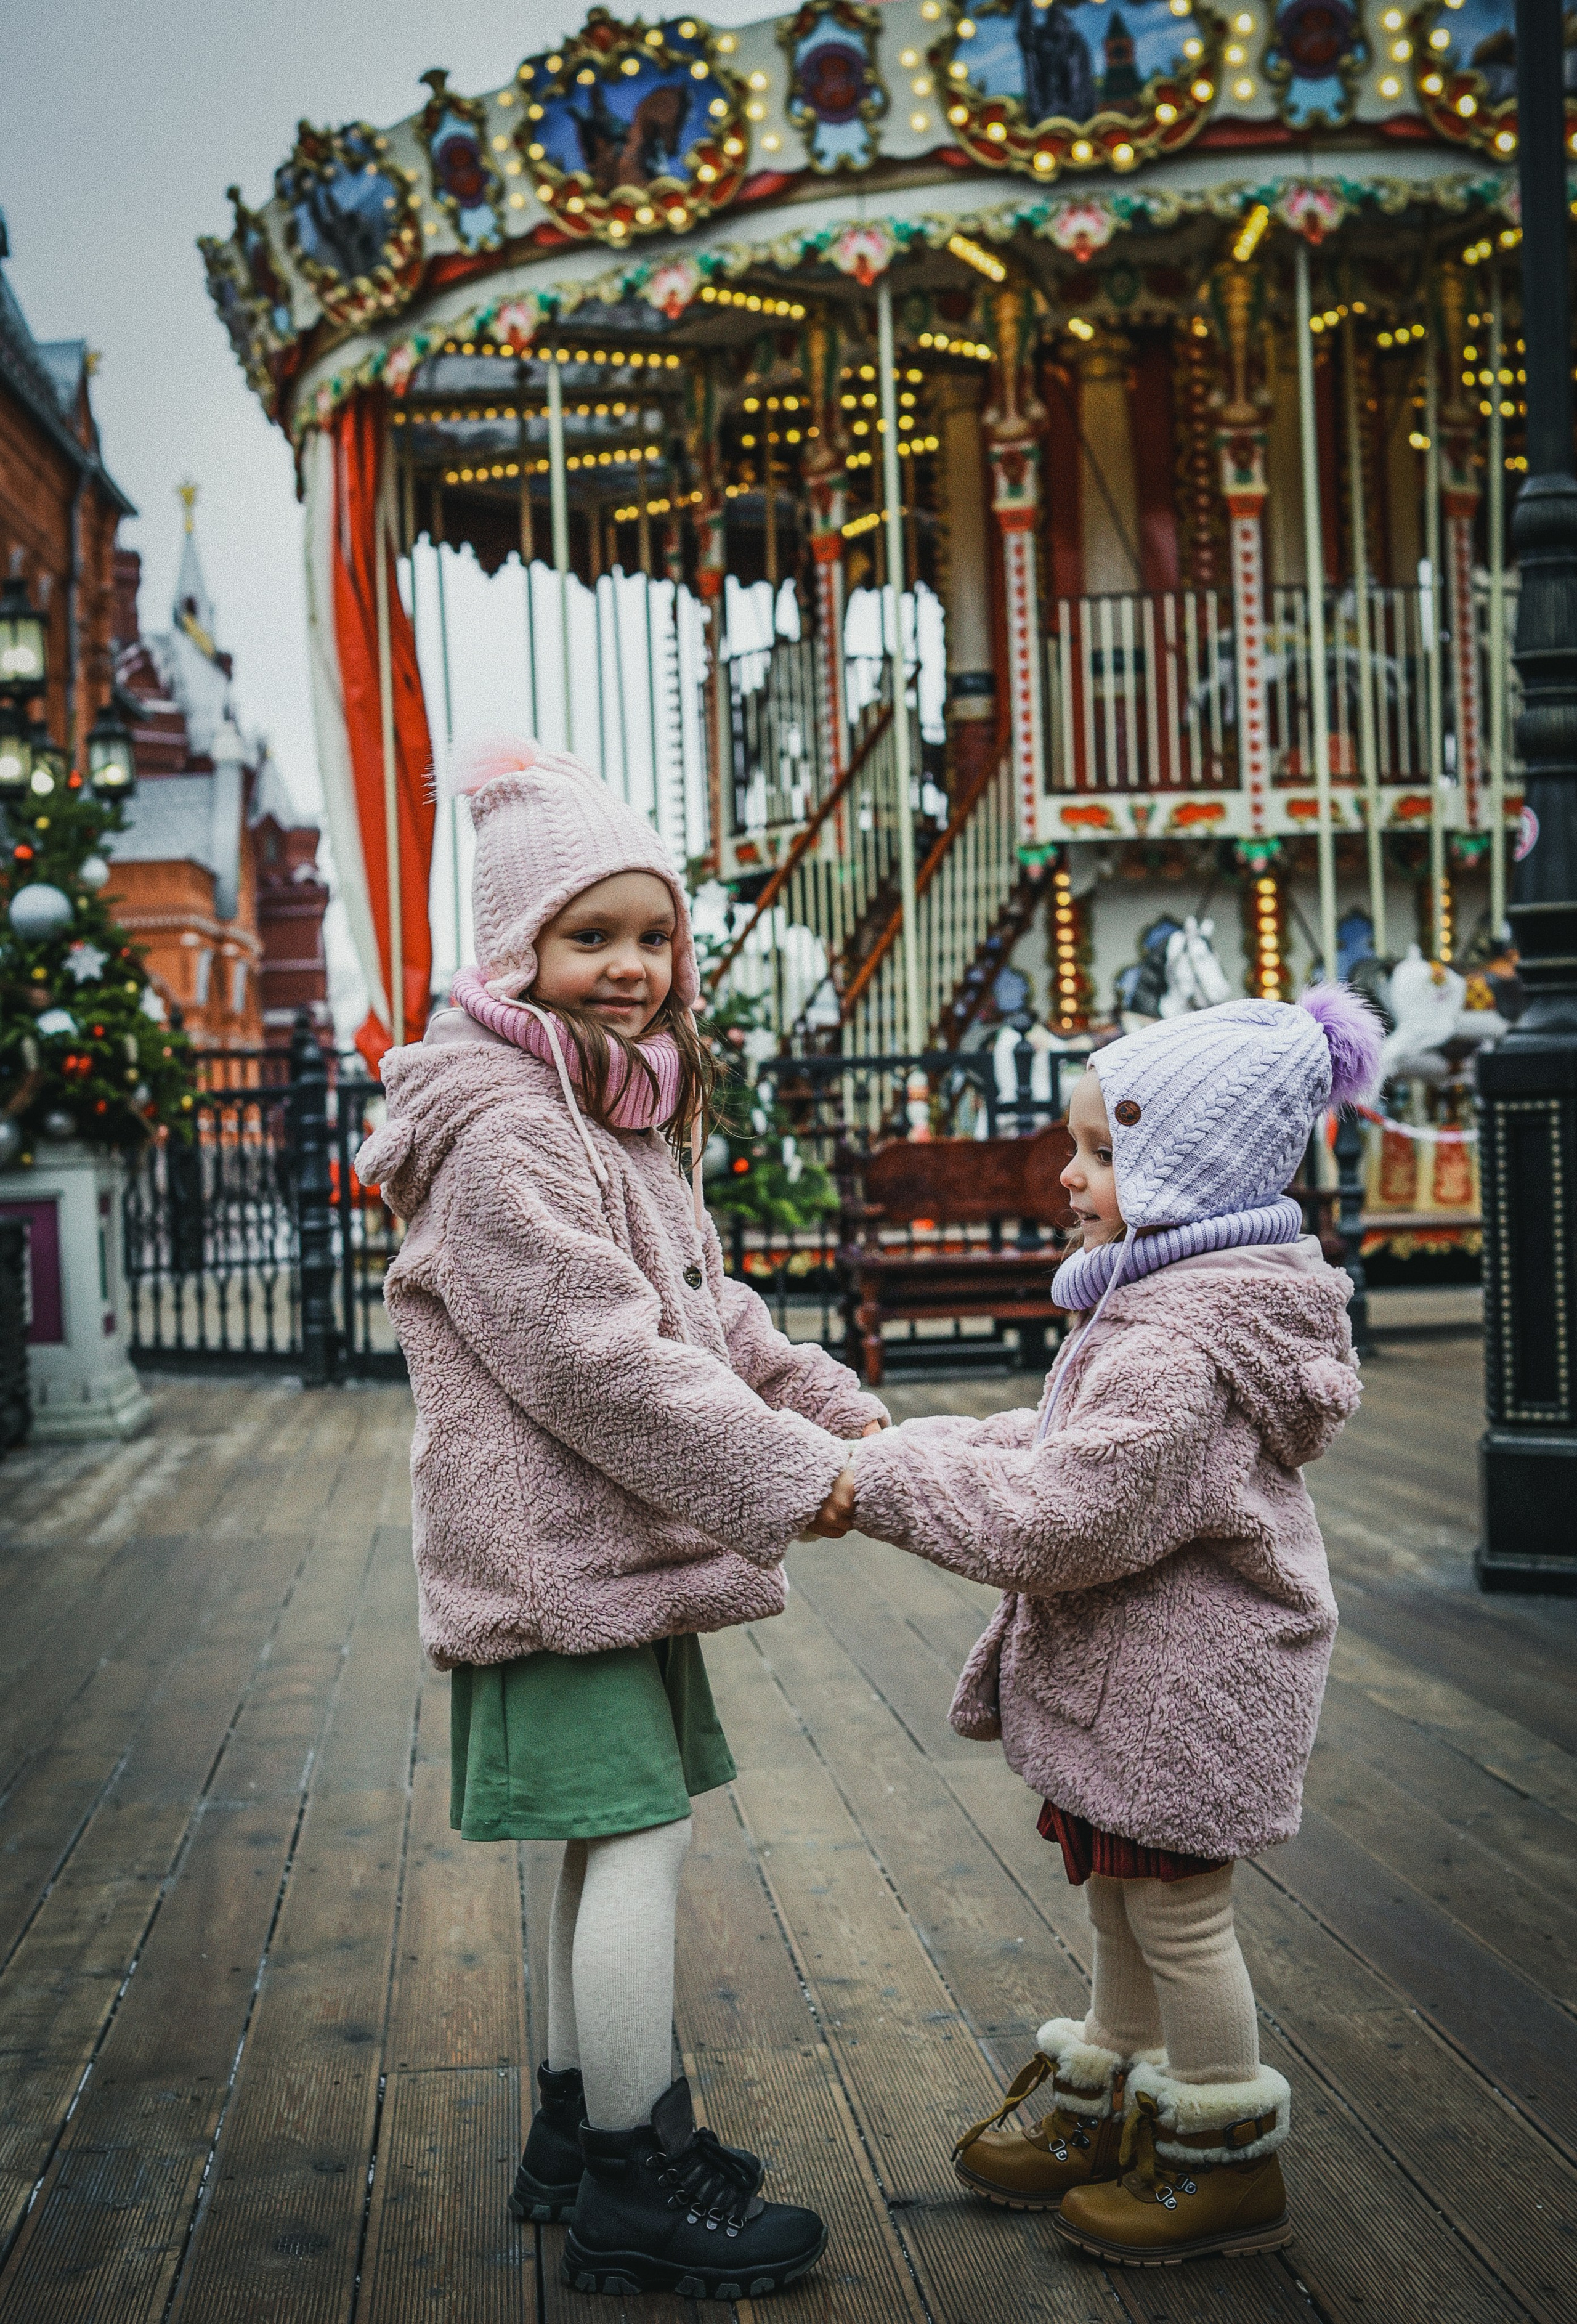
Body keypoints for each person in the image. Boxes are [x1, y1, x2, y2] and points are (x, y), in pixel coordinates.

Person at [355, 737, 886, 2301]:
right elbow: (598, 1360)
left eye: (654, 934)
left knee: (606, 1837)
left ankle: (572, 2133)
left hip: (617, 1541)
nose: (633, 967)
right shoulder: (509, 1128)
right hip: (557, 1547)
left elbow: (701, 1313)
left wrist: (830, 1406)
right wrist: (784, 1475)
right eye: (591, 935)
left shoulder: (613, 1107)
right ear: (518, 948)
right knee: (637, 1836)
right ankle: (632, 2183)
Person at [803, 989, 1381, 2266]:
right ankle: (1106, 2100)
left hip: (1187, 1688)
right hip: (1145, 1678)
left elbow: (1063, 1516)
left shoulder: (1178, 1346)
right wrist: (920, 1445)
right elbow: (1063, 1444)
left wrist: (883, 1485)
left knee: (1179, 1921)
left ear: (1188, 1175)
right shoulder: (1161, 1304)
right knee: (1123, 1905)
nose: (1068, 1174)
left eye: (1104, 1152)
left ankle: (1222, 2159)